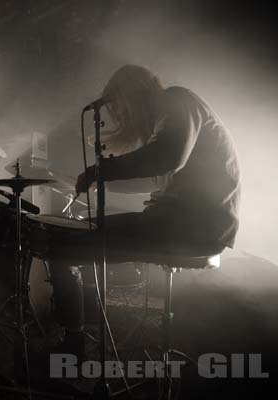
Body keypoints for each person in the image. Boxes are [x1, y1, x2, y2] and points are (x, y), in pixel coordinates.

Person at [50, 65, 241, 354]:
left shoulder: (177, 100)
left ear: (129, 94)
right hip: (191, 222)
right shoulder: (175, 110)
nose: (121, 117)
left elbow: (167, 158)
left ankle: (73, 343)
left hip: (190, 225)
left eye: (119, 108)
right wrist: (99, 183)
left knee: (61, 244)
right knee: (79, 234)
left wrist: (101, 171)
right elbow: (158, 177)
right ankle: (84, 326)